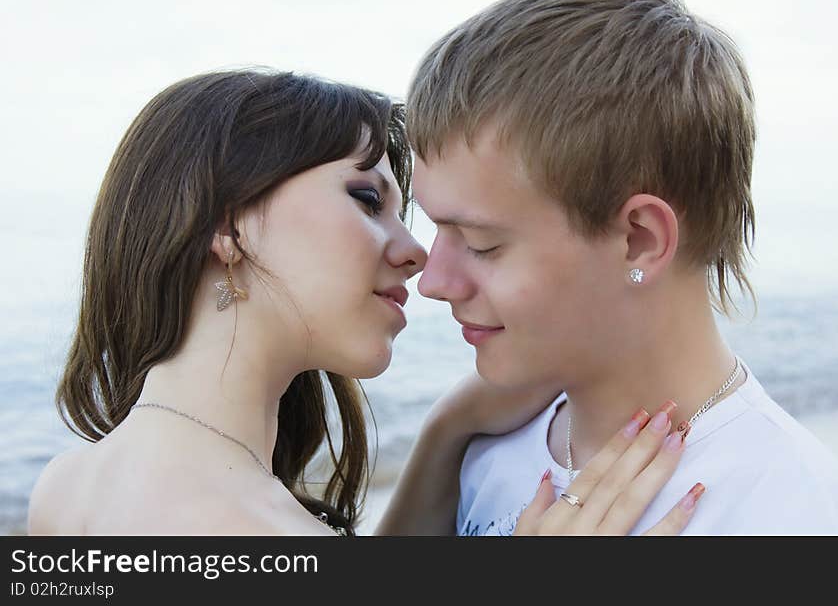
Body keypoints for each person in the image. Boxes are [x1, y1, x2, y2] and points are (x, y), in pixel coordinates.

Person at [26, 69, 700, 536]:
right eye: (367, 199)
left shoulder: (65, 487)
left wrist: (449, 427)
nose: (418, 253)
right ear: (228, 226)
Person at [406, 0, 838, 535]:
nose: (432, 280)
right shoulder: (483, 456)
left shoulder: (797, 514)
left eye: (482, 244)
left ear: (641, 240)